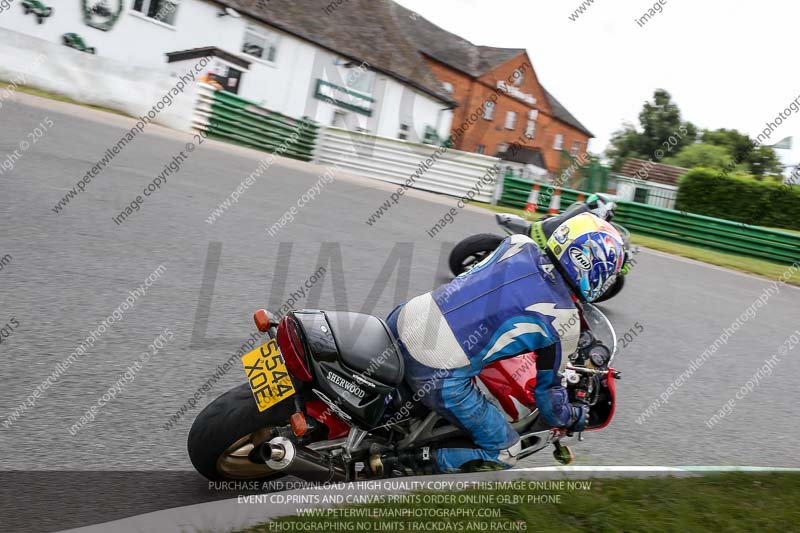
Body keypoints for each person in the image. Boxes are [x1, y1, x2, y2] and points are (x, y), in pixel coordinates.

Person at [379, 212, 625, 475]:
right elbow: (548, 401)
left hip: (405, 316)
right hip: (433, 370)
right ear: (599, 270)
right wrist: (574, 417)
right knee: (504, 451)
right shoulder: (563, 320)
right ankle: (399, 466)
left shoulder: (519, 243)